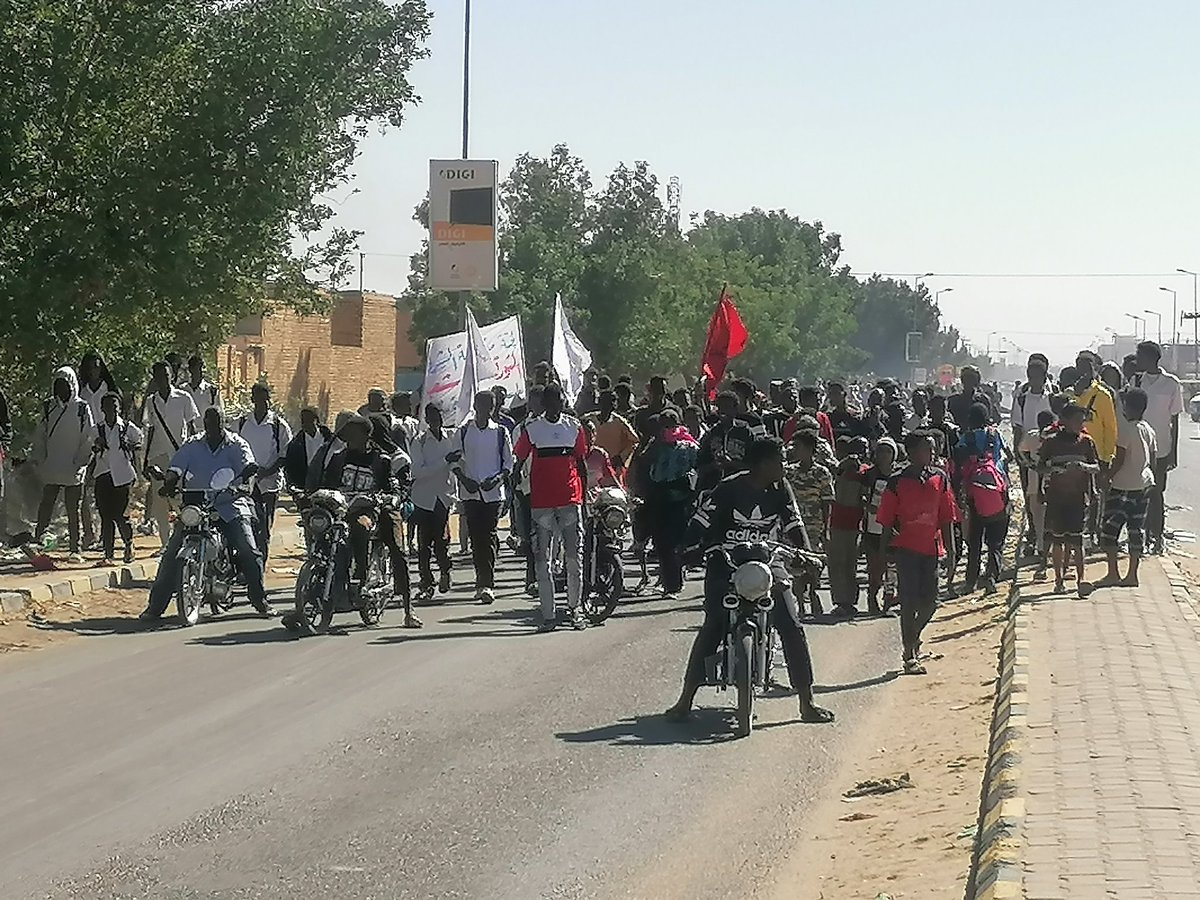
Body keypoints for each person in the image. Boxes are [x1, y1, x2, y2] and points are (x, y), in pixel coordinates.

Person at [664, 437, 834, 724]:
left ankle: (807, 703)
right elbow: (700, 523)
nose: (785, 466)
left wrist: (806, 554)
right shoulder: (727, 489)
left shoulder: (781, 489)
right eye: (780, 460)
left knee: (791, 623)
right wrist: (687, 548)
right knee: (714, 625)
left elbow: (794, 525)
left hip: (769, 561)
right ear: (764, 464)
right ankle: (685, 701)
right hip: (727, 562)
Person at [140, 407, 274, 621]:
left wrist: (246, 485)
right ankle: (155, 607)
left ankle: (260, 600)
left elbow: (249, 466)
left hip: (230, 504)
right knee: (171, 553)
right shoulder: (192, 445)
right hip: (197, 506)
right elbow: (176, 469)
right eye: (209, 424)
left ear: (223, 423)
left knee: (248, 549)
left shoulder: (237, 444)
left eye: (217, 424)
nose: (212, 429)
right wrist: (168, 482)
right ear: (204, 423)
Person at [311, 413, 419, 628]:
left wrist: (384, 497)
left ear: (366, 436)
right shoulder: (338, 458)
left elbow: (392, 487)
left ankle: (407, 609)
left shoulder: (381, 461)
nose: (348, 438)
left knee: (393, 549)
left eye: (352, 434)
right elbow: (327, 483)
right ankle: (307, 603)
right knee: (321, 532)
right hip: (340, 511)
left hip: (369, 512)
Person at [876, 431, 960, 675]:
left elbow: (946, 516)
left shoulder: (940, 478)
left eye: (933, 449)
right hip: (906, 550)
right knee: (909, 601)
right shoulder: (897, 482)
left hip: (931, 549)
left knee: (930, 603)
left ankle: (912, 637)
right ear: (911, 452)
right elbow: (886, 521)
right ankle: (909, 654)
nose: (932, 453)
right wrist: (882, 555)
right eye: (927, 449)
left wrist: (952, 551)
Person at [514, 383, 589, 632]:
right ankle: (548, 615)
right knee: (542, 560)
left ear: (563, 402)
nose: (555, 406)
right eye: (551, 402)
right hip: (542, 503)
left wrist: (585, 499)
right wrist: (514, 493)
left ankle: (574, 609)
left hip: (570, 499)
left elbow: (581, 463)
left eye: (559, 401)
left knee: (573, 558)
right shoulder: (532, 429)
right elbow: (519, 461)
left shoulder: (573, 427)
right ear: (544, 405)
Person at [451, 391, 514, 605]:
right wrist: (463, 478)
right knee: (477, 539)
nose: (485, 409)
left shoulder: (500, 433)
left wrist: (496, 479)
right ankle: (481, 579)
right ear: (475, 406)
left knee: (487, 535)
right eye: (482, 405)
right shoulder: (464, 431)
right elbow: (454, 459)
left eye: (490, 406)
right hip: (470, 492)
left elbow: (508, 464)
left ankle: (486, 583)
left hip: (493, 494)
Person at [32, 366, 96, 561]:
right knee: (46, 505)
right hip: (52, 464)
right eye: (57, 384)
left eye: (64, 384)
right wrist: (40, 458)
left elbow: (88, 437)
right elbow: (40, 435)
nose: (61, 389)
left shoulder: (82, 408)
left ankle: (74, 548)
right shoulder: (48, 407)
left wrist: (81, 460)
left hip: (74, 466)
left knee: (72, 509)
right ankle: (38, 541)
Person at [1039, 403, 1100, 597]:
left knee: (1077, 541)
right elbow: (1040, 467)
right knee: (1057, 540)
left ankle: (1081, 580)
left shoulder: (1087, 442)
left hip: (1078, 498)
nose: (1079, 423)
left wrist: (1083, 467)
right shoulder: (1051, 442)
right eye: (1075, 420)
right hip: (1056, 498)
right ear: (1063, 421)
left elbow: (1096, 467)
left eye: (1081, 420)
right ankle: (1058, 580)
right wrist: (1055, 470)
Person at [1098, 388, 1157, 588]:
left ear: (1128, 407)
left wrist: (1107, 477)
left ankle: (1113, 573)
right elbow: (1153, 459)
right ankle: (1132, 575)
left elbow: (1120, 458)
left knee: (1109, 530)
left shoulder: (1126, 430)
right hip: (1144, 484)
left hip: (1123, 486)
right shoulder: (1148, 429)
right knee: (1136, 529)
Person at [1131, 340, 1185, 555]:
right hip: (1138, 445)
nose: (1138, 360)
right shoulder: (1136, 381)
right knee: (1138, 492)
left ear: (1152, 358)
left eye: (1140, 356)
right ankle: (1140, 537)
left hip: (1161, 447)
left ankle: (1157, 536)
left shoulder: (1171, 383)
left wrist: (1174, 452)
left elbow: (1175, 420)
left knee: (1156, 493)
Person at [142, 361, 200, 549]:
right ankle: (165, 545)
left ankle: (183, 540)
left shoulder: (183, 398)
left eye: (166, 376)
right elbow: (150, 430)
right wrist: (145, 461)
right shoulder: (151, 401)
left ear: (172, 376)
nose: (163, 380)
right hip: (157, 456)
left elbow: (191, 428)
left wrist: (194, 457)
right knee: (159, 504)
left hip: (180, 456)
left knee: (180, 501)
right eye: (159, 377)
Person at [643, 409, 699, 599]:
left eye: (672, 425)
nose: (668, 429)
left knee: (678, 542)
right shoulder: (654, 447)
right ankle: (670, 584)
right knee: (662, 544)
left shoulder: (689, 447)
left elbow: (698, 470)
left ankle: (676, 578)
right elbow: (643, 465)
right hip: (659, 498)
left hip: (681, 499)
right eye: (664, 425)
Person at [955, 404, 1011, 595]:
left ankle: (970, 581)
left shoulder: (966, 438)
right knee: (996, 541)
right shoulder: (995, 435)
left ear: (970, 419)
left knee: (975, 540)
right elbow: (1008, 456)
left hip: (974, 495)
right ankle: (992, 577)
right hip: (998, 491)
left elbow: (959, 461)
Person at [235, 383, 293, 562]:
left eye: (266, 398)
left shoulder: (278, 425)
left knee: (264, 526)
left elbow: (285, 455)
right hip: (246, 483)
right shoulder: (242, 423)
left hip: (269, 483)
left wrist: (267, 471)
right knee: (247, 524)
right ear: (253, 400)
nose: (264, 402)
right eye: (260, 398)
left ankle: (261, 563)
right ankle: (247, 563)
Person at [409, 403, 457, 601]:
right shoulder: (419, 442)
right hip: (423, 498)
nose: (436, 421)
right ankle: (426, 582)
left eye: (439, 416)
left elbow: (457, 463)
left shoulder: (451, 438)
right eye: (432, 417)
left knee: (441, 542)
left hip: (443, 497)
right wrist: (444, 460)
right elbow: (419, 472)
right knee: (423, 544)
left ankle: (445, 571)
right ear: (427, 420)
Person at [786, 429, 834, 616]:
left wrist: (826, 530)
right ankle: (800, 601)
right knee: (796, 565)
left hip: (814, 527)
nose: (794, 450)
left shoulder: (822, 474)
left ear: (809, 449)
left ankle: (813, 593)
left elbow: (827, 502)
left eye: (798, 446)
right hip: (794, 527)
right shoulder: (789, 472)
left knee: (813, 564)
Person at [77, 352, 120, 551]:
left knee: (106, 492)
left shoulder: (109, 389)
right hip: (87, 444)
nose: (94, 371)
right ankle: (88, 532)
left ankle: (106, 534)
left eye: (97, 367)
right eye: (90, 367)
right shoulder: (80, 391)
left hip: (108, 447)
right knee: (82, 489)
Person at [92, 393, 141, 565]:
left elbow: (139, 441)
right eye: (108, 406)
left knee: (122, 515)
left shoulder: (127, 427)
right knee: (105, 516)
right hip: (103, 474)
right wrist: (97, 445)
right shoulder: (97, 429)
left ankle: (129, 545)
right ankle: (108, 553)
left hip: (122, 475)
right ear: (102, 409)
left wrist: (130, 445)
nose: (112, 409)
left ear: (119, 408)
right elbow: (91, 447)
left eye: (115, 406)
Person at [828, 436, 868, 616]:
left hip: (854, 524)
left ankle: (850, 600)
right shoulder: (838, 469)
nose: (860, 453)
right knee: (837, 563)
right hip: (836, 522)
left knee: (850, 564)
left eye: (864, 449)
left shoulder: (865, 472)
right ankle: (839, 600)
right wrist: (843, 465)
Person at [696, 391, 765, 491]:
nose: (723, 411)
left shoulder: (745, 432)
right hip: (713, 487)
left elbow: (754, 466)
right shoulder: (712, 433)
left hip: (740, 488)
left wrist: (731, 463)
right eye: (720, 407)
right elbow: (700, 466)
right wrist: (714, 465)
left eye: (727, 407)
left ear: (735, 409)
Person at [1018, 409, 1057, 581]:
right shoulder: (1054, 437)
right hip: (1046, 484)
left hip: (1039, 484)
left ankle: (1043, 553)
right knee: (1045, 520)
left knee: (1040, 520)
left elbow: (1021, 451)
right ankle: (1045, 553)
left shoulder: (1037, 436)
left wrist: (1029, 463)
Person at [862, 437, 899, 614]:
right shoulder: (869, 475)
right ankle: (872, 598)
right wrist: (867, 505)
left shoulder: (899, 475)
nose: (884, 455)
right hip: (872, 527)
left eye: (888, 451)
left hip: (893, 526)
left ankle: (889, 599)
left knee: (891, 565)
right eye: (881, 451)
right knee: (875, 566)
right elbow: (860, 496)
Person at [586, 390, 639, 481]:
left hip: (613, 465)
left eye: (613, 401)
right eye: (606, 401)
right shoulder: (588, 420)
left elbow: (634, 441)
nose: (610, 404)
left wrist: (621, 457)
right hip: (591, 465)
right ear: (600, 402)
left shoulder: (619, 422)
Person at [283, 407, 334, 495]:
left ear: (316, 420)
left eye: (309, 420)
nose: (306, 423)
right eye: (303, 421)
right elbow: (291, 466)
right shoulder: (296, 444)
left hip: (326, 483)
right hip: (306, 485)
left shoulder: (329, 439)